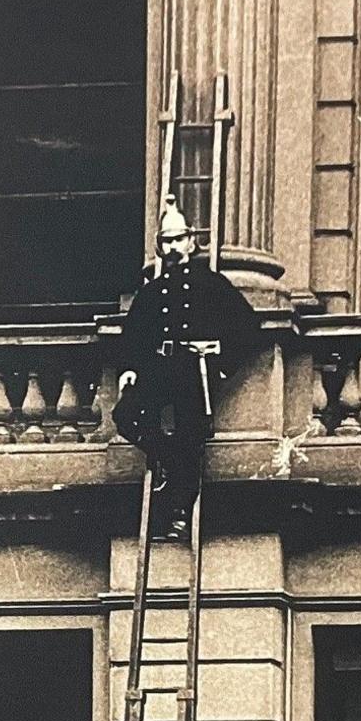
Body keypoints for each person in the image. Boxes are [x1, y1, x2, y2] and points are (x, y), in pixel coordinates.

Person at [108, 195, 262, 543]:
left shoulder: (210, 284)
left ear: (192, 241)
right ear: (160, 248)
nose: (174, 246)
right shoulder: (152, 292)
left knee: (190, 440)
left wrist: (221, 356)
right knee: (126, 416)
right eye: (167, 241)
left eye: (179, 239)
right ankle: (164, 455)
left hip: (193, 370)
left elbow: (248, 328)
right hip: (158, 369)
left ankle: (179, 516)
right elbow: (132, 336)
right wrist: (130, 369)